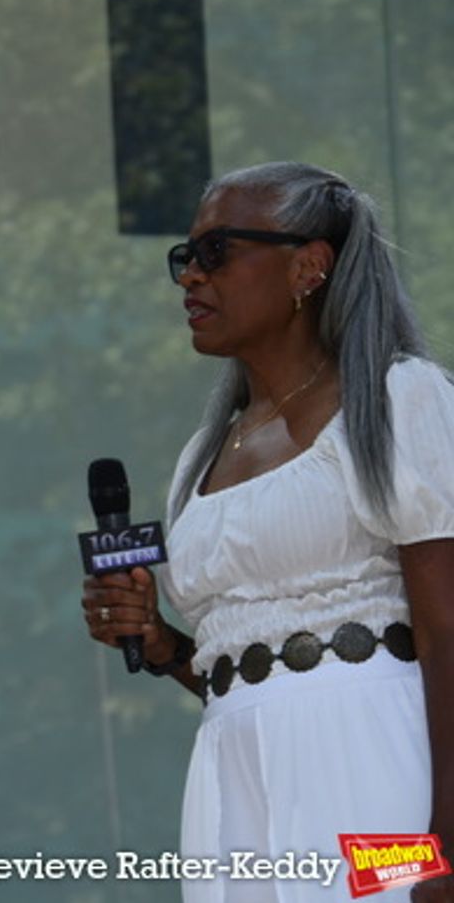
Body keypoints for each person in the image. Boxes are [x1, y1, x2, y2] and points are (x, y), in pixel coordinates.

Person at [82, 162, 454, 902]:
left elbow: (446, 634)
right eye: (184, 258)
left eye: (216, 252)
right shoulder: (203, 453)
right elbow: (255, 669)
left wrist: (445, 849)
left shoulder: (397, 399)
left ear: (309, 265)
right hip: (231, 774)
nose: (190, 277)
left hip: (373, 759)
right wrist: (164, 645)